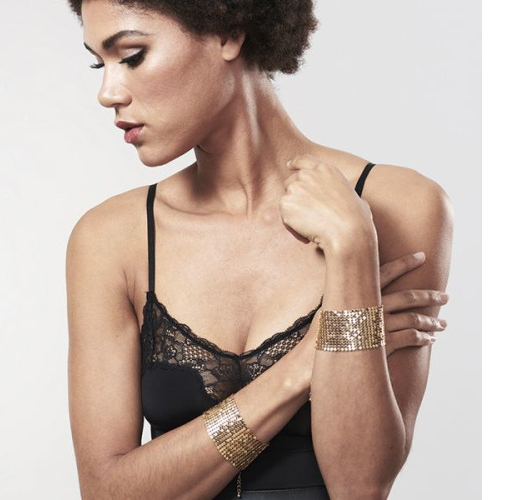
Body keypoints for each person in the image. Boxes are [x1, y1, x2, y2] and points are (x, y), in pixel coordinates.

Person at [65, 1, 454, 498]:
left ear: (228, 33)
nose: (107, 93)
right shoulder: (110, 238)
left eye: (132, 56)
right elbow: (106, 492)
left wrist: (352, 247)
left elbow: (360, 486)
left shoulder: (399, 206)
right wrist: (299, 369)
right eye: (99, 63)